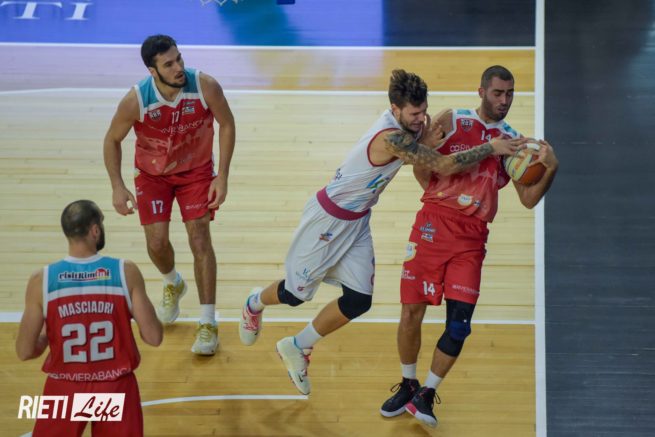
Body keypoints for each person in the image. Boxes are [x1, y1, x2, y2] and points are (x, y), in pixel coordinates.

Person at [238, 69, 527, 395]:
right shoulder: (390, 137)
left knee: (358, 301)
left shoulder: (408, 129)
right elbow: (443, 165)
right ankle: (254, 303)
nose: (421, 119)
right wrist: (491, 147)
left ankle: (297, 345)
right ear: (395, 109)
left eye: (424, 111)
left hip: (358, 221)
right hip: (327, 220)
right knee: (295, 295)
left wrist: (426, 140)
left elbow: (417, 153)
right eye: (414, 114)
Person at [379, 65, 559, 428]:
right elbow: (421, 167)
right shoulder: (452, 120)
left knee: (459, 325)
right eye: (498, 93)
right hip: (433, 225)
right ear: (481, 92)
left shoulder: (515, 143)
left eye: (510, 94)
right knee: (411, 312)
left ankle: (427, 393)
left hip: (473, 238)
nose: (504, 100)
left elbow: (528, 200)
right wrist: (443, 199)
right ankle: (408, 382)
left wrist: (550, 169)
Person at [103, 34, 236, 355]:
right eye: (168, 64)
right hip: (152, 176)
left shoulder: (205, 86)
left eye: (179, 59)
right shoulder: (136, 99)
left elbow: (227, 124)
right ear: (153, 71)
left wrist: (222, 176)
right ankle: (173, 281)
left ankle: (208, 322)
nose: (178, 67)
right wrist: (117, 186)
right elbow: (112, 140)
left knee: (199, 238)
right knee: (157, 243)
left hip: (196, 172)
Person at [15, 200, 163, 437]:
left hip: (65, 388)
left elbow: (24, 351)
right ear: (95, 230)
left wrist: (50, 333)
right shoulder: (125, 272)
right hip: (114, 387)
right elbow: (154, 337)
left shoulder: (41, 280)